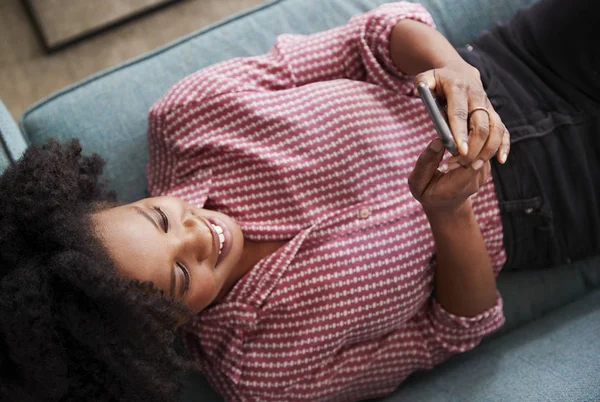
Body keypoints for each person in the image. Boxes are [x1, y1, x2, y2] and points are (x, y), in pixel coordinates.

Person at [0, 0, 598, 400]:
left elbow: (373, 35)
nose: (198, 234)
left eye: (159, 217)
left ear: (107, 201)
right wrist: (450, 214)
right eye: (182, 276)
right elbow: (456, 329)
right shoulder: (264, 376)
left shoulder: (193, 118)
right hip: (557, 206)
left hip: (514, 63)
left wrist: (455, 70)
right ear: (160, 337)